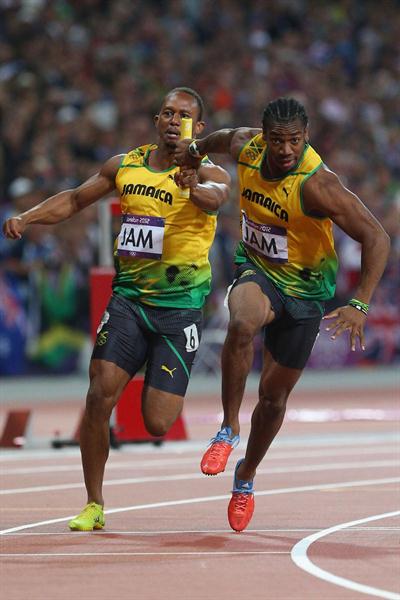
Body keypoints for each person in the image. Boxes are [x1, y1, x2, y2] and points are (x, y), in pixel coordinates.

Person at [3, 87, 231, 531]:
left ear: (198, 127)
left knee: (158, 421)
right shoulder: (125, 165)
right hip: (128, 301)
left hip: (178, 310)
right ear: (156, 119)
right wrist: (27, 218)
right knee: (97, 396)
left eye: (183, 115)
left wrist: (193, 183)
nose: (172, 120)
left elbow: (215, 198)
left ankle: (152, 363)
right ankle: (94, 503)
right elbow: (73, 199)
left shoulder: (210, 171)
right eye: (166, 112)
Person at [174, 97, 391, 532]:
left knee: (273, 400)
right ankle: (227, 429)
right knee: (240, 323)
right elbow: (216, 138)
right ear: (264, 136)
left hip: (307, 294)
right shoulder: (247, 147)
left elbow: (377, 237)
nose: (286, 149)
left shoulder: (318, 184)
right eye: (278, 140)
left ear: (305, 137)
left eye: (294, 140)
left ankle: (246, 475)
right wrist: (193, 154)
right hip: (258, 270)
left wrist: (360, 301)